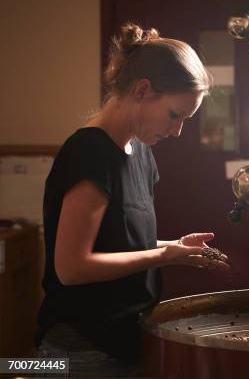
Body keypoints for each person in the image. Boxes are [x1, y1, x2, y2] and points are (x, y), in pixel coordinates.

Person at [36, 22, 229, 377]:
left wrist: (175, 247)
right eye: (175, 115)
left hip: (125, 341)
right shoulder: (90, 151)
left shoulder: (140, 150)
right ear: (143, 90)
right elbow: (73, 267)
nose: (177, 131)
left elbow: (115, 244)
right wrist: (163, 255)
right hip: (84, 350)